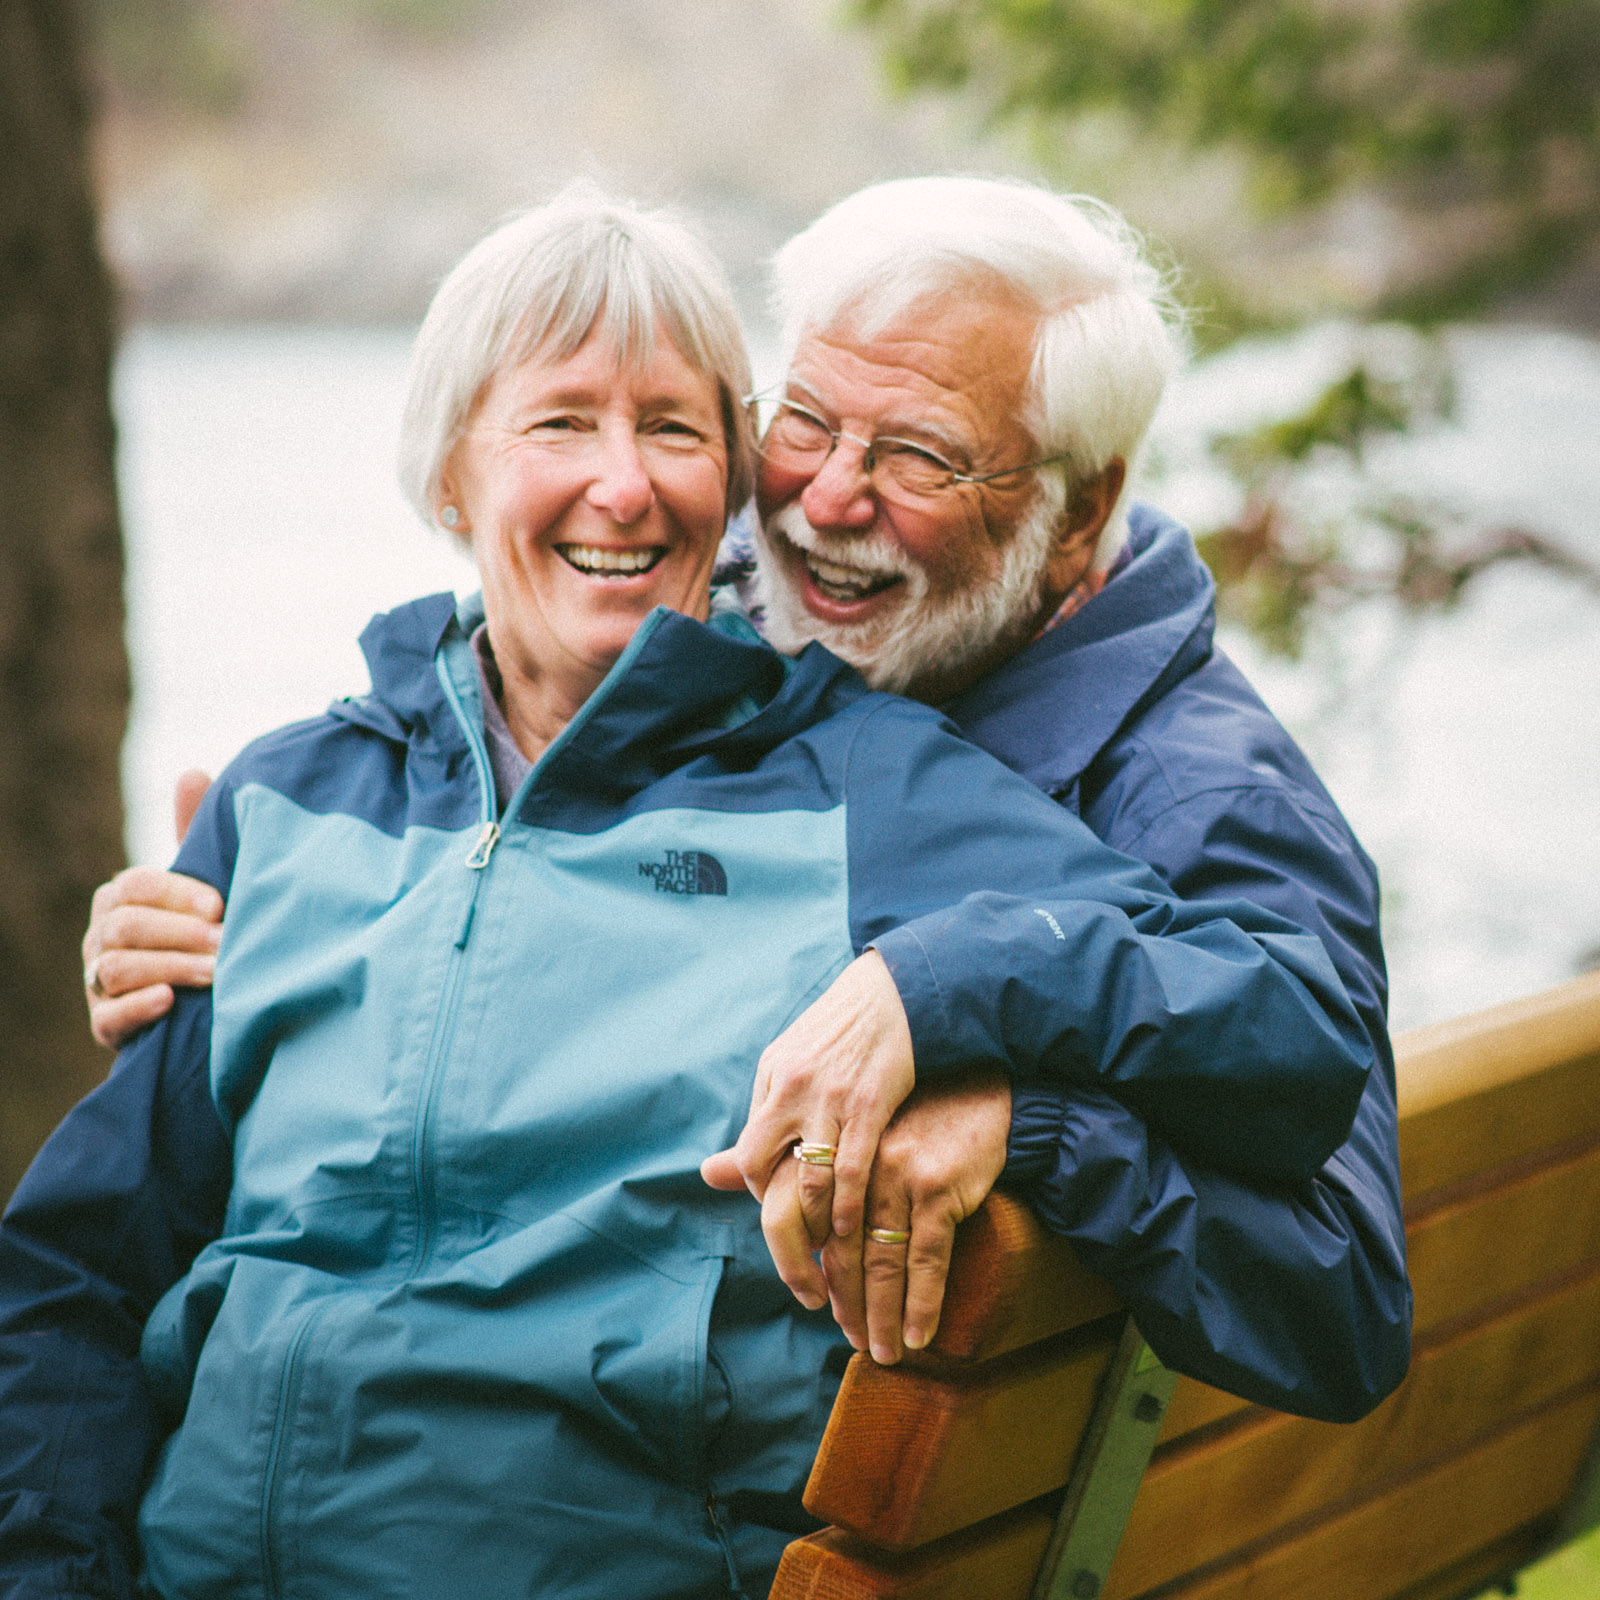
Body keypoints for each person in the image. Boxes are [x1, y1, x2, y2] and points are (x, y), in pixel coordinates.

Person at [0, 187, 1375, 1600]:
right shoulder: (300, 793)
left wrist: (981, 1046)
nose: (629, 483)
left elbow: (1296, 1062)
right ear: (449, 474)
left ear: (1077, 507)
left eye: (672, 427)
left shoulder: (910, 793)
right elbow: (71, 1280)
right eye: (558, 423)